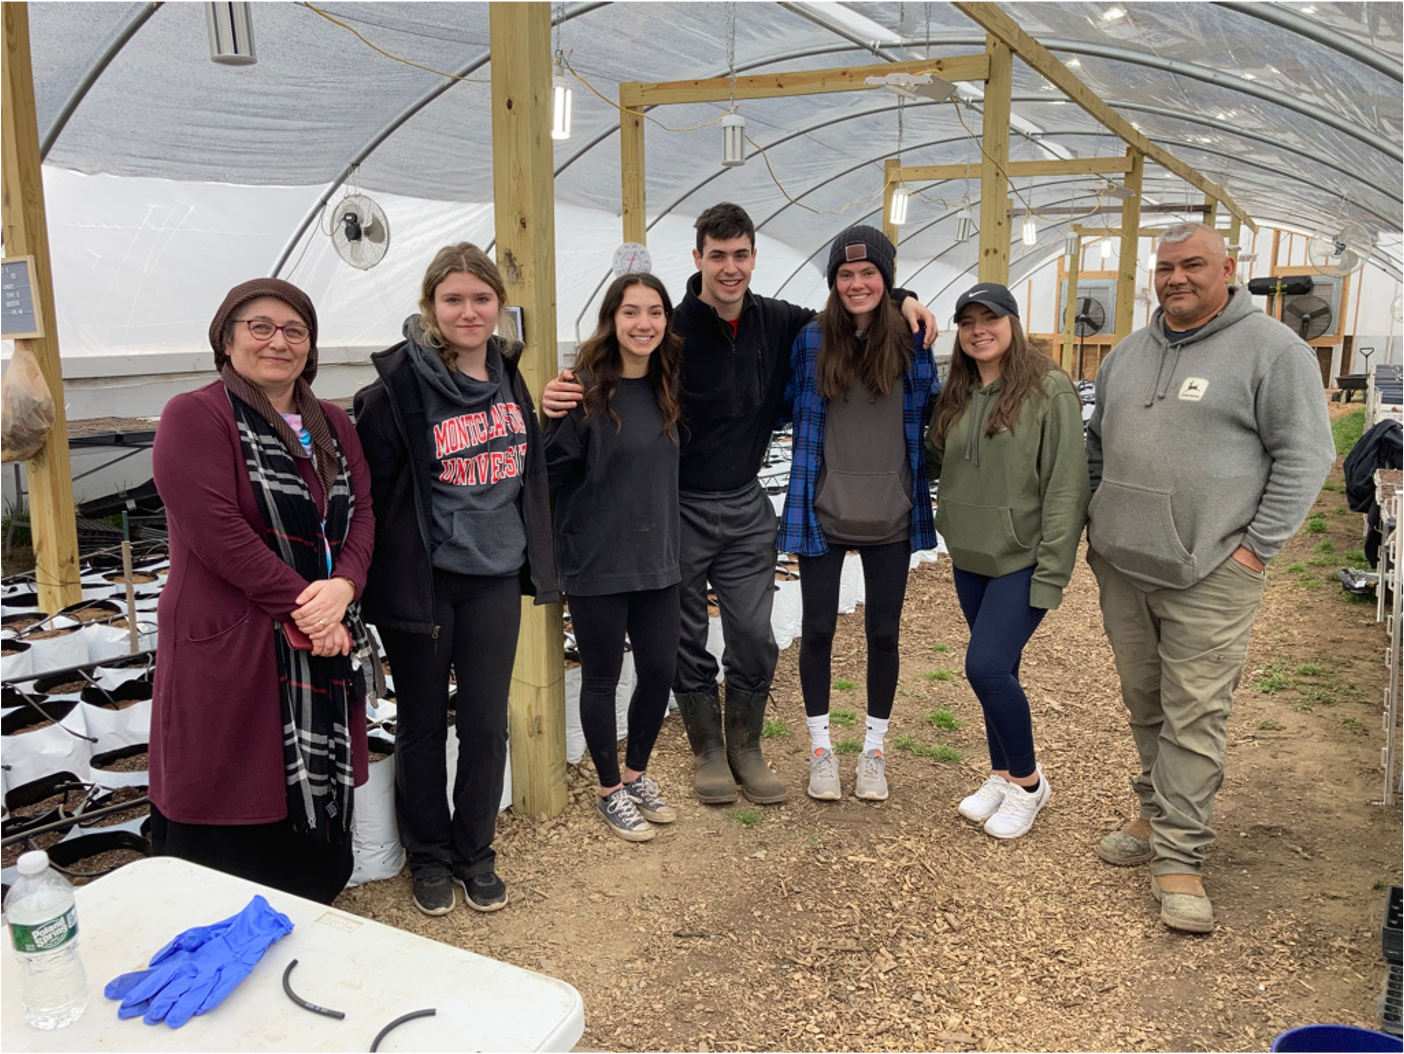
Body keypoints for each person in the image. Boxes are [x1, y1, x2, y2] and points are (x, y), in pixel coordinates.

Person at [544, 204, 936, 806]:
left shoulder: (779, 321)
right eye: (718, 256)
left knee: (754, 632)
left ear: (754, 258)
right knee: (686, 635)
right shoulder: (670, 328)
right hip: (677, 507)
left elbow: (852, 304)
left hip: (746, 502)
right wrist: (563, 389)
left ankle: (746, 746)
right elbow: (617, 359)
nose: (731, 268)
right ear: (698, 259)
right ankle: (707, 752)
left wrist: (904, 296)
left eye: (741, 255)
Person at [1086, 222, 1334, 933]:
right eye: (1165, 268)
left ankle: (1180, 856)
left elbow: (1307, 455)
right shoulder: (1128, 354)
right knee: (1147, 701)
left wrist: (1256, 549)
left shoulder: (1272, 351)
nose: (1176, 279)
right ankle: (1153, 810)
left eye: (1193, 264)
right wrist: (1102, 524)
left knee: (1196, 712)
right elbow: (1099, 443)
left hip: (1212, 571)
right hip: (1125, 565)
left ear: (1229, 268)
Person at [150, 278, 377, 904]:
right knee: (232, 782)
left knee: (307, 802)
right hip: (234, 638)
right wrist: (310, 606)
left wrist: (345, 585)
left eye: (295, 331)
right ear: (227, 339)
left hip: (319, 633)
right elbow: (216, 530)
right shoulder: (196, 415)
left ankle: (307, 899)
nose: (278, 341)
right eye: (260, 327)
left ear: (310, 346)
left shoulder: (332, 423)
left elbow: (363, 514)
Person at [354, 243, 558, 917]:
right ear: (431, 307)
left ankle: (476, 852)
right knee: (420, 724)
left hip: (495, 576)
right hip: (429, 581)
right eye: (453, 299)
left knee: (484, 723)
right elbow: (376, 497)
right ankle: (430, 855)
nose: (468, 311)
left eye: (480, 298)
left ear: (499, 305)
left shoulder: (508, 374)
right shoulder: (398, 393)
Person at [777, 226, 937, 803]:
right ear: (832, 283)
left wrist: (906, 301)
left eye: (869, 273)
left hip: (891, 514)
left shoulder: (914, 341)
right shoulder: (812, 341)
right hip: (823, 511)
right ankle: (822, 751)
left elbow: (932, 413)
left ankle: (873, 751)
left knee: (883, 634)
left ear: (887, 280)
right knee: (815, 630)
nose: (856, 283)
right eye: (845, 275)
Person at [927, 282, 1089, 838]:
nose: (978, 329)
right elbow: (934, 458)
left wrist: (1052, 573)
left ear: (1012, 323)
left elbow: (1068, 486)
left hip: (1021, 557)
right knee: (1003, 670)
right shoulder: (957, 392)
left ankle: (1027, 782)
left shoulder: (1049, 390)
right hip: (970, 554)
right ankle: (1000, 773)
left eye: (989, 318)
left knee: (986, 666)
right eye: (967, 320)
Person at [545, 272, 684, 841]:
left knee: (658, 670)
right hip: (598, 557)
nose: (644, 323)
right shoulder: (581, 390)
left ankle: (637, 773)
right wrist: (547, 411)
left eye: (655, 312)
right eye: (631, 312)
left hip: (659, 555)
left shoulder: (669, 386)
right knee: (602, 676)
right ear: (612, 319)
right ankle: (608, 789)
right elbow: (549, 472)